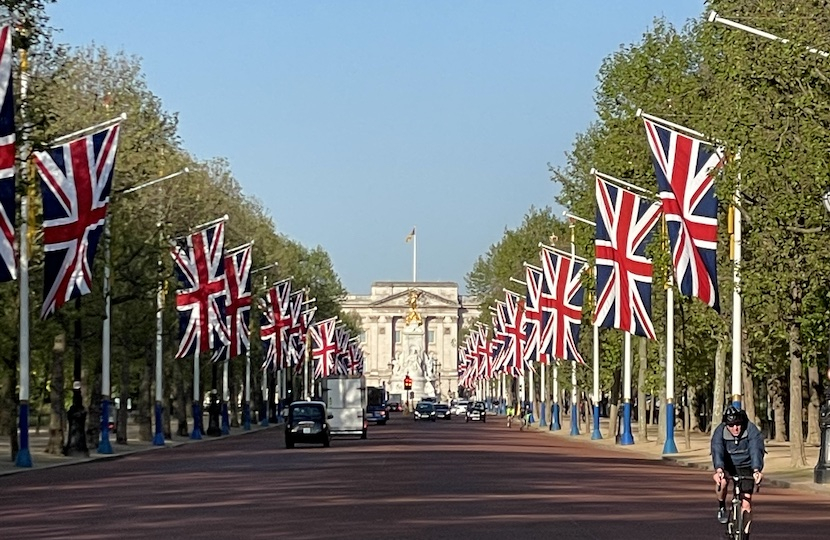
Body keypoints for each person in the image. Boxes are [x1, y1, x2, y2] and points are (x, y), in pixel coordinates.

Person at [711, 406, 765, 537]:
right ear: (726, 424)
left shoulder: (751, 430)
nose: (735, 428)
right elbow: (717, 450)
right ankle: (722, 506)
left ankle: (745, 535)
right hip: (727, 465)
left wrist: (756, 470)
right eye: (731, 425)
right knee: (722, 482)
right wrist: (719, 469)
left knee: (746, 503)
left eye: (738, 424)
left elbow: (755, 449)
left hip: (746, 465)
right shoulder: (720, 432)